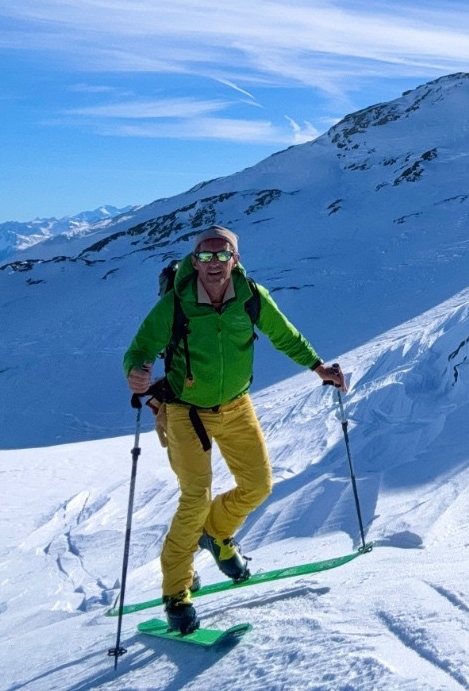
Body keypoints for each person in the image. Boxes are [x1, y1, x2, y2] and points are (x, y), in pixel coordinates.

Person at [123, 225, 347, 634]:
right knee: (195, 496)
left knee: (258, 485)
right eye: (205, 257)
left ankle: (216, 532)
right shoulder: (175, 304)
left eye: (222, 256)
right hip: (184, 410)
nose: (213, 264)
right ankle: (176, 590)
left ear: (235, 260)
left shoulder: (251, 299)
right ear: (194, 262)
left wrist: (319, 367)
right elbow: (139, 350)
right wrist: (138, 373)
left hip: (236, 406)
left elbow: (284, 335)